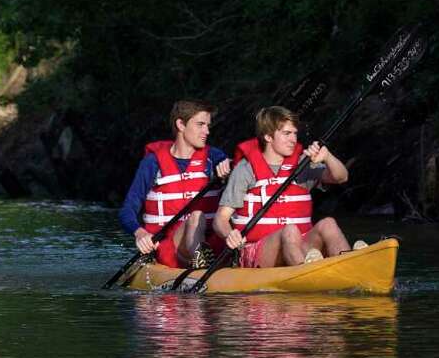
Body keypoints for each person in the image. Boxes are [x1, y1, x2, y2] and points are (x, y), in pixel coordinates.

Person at [213, 105, 356, 268]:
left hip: (299, 245)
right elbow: (221, 219)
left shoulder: (303, 165)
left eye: (295, 133)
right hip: (257, 251)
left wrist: (327, 156)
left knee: (328, 223)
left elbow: (341, 177)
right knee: (290, 231)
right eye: (287, 134)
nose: (293, 139)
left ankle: (349, 269)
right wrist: (229, 235)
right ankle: (309, 275)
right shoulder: (245, 169)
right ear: (268, 136)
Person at [118, 100, 231, 269]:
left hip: (210, 242)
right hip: (168, 247)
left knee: (197, 218)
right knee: (195, 217)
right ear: (181, 124)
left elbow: (235, 170)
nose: (206, 131)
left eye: (208, 125)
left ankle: (207, 262)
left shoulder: (215, 157)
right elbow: (127, 210)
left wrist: (228, 172)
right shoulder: (152, 163)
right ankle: (203, 266)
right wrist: (140, 233)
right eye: (200, 124)